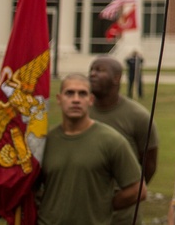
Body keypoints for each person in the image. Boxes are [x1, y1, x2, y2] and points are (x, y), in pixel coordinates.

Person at [37, 74, 145, 225]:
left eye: (82, 94)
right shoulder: (45, 141)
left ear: (91, 100)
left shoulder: (112, 140)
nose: (76, 99)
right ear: (59, 99)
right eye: (69, 93)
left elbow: (137, 190)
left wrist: (104, 206)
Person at [89, 56, 159, 225]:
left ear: (117, 78)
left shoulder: (138, 117)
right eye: (91, 70)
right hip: (85, 211)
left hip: (121, 216)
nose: (93, 74)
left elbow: (149, 164)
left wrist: (128, 194)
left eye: (100, 70)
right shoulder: (80, 113)